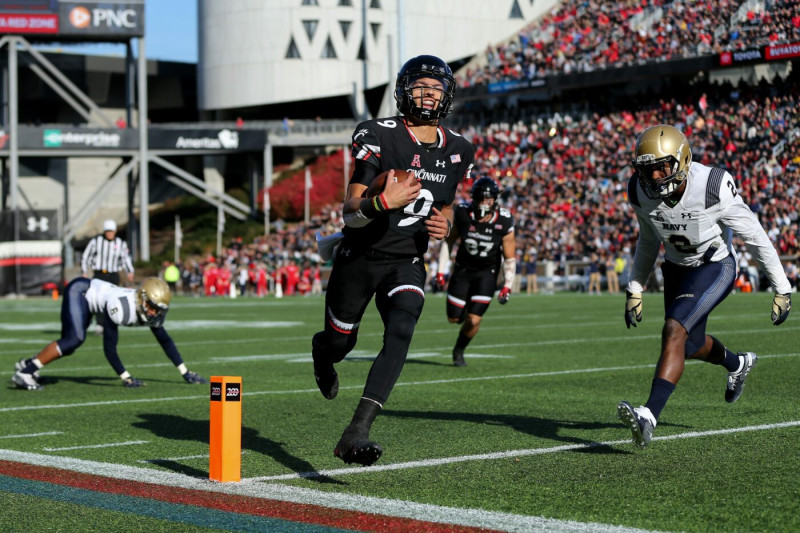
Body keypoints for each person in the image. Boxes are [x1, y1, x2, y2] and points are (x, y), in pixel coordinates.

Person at [310, 54, 474, 466]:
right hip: (360, 255)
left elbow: (449, 206)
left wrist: (446, 225)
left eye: (435, 88)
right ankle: (321, 352)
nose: (427, 94)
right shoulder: (378, 133)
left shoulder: (458, 149)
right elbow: (349, 210)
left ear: (447, 95)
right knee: (338, 343)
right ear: (403, 90)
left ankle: (356, 431)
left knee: (402, 329)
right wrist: (381, 201)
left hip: (407, 259)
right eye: (420, 85)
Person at [618, 124, 792, 448]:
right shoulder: (639, 191)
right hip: (676, 269)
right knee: (688, 345)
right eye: (648, 170)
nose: (655, 177)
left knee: (673, 330)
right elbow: (647, 240)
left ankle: (648, 416)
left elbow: (753, 234)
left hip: (715, 265)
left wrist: (782, 287)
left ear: (681, 161)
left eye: (661, 167)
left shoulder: (711, 185)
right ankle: (738, 363)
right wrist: (635, 288)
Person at [12, 277, 208, 391]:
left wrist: (185, 372)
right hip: (80, 292)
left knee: (69, 344)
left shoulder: (147, 310)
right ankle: (25, 373)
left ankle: (29, 364)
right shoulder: (120, 307)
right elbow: (109, 348)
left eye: (158, 309)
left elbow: (164, 341)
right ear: (142, 298)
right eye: (151, 306)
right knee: (73, 340)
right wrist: (126, 377)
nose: (153, 313)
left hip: (90, 299)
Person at [436, 177, 515, 367]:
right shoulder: (463, 213)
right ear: (474, 198)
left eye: (488, 199)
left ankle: (459, 350)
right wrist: (441, 271)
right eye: (481, 198)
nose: (485, 203)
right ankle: (462, 310)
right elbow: (449, 242)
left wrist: (507, 286)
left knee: (473, 319)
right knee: (454, 318)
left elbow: (510, 257)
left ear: (495, 199)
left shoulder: (504, 220)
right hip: (463, 270)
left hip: (487, 273)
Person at [81, 219, 135, 286]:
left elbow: (126, 259)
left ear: (115, 231)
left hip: (113, 275)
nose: (109, 233)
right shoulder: (96, 241)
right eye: (107, 231)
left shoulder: (120, 243)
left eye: (111, 231)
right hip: (99, 275)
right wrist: (84, 271)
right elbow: (86, 256)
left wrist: (129, 271)